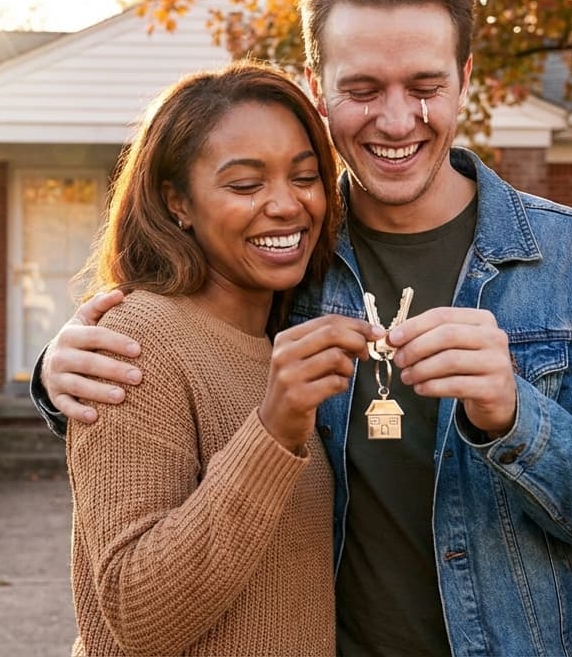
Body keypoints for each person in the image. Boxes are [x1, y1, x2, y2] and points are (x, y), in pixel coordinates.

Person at [40, 0, 572, 655]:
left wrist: (516, 415)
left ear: (464, 79)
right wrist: (55, 375)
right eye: (362, 90)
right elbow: (185, 360)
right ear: (316, 87)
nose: (396, 121)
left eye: (424, 87)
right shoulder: (283, 253)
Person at [64, 59, 379, 656]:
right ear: (177, 201)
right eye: (245, 185)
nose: (286, 205)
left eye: (306, 177)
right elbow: (136, 613)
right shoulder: (138, 341)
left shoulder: (278, 336)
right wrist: (273, 431)